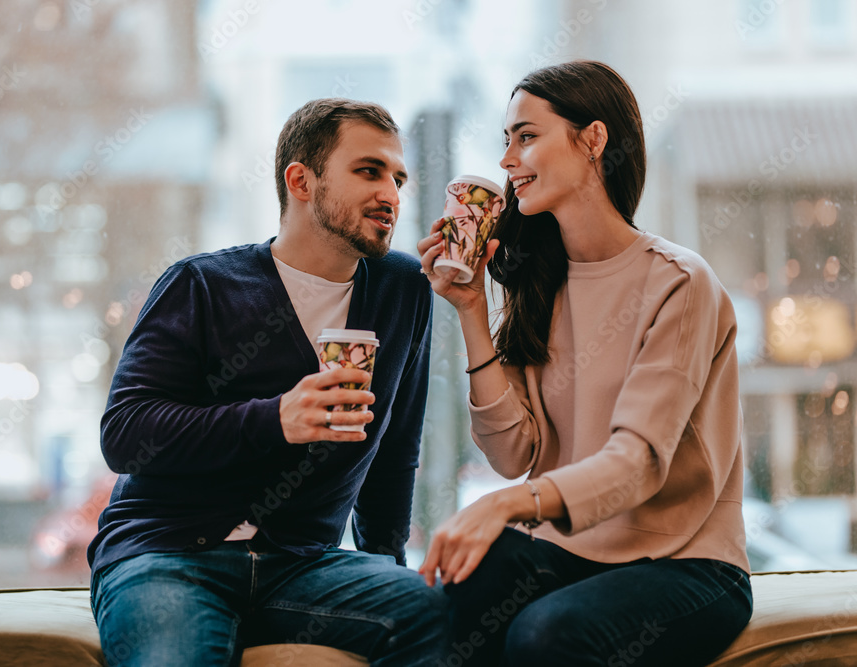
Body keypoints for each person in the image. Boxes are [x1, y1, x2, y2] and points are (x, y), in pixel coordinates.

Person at [88, 98, 446, 666]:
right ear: (301, 181)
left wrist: (384, 566)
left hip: (305, 565)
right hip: (167, 555)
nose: (391, 195)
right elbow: (126, 434)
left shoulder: (403, 289)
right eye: (369, 171)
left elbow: (395, 450)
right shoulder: (201, 285)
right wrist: (274, 418)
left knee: (444, 615)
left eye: (398, 178)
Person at [416, 61, 753, 666]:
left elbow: (638, 463)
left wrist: (505, 505)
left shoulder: (679, 283)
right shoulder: (539, 283)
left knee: (546, 633)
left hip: (688, 563)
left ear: (593, 140)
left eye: (526, 136)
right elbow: (514, 453)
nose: (507, 160)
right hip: (572, 551)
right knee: (465, 584)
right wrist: (470, 308)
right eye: (506, 141)